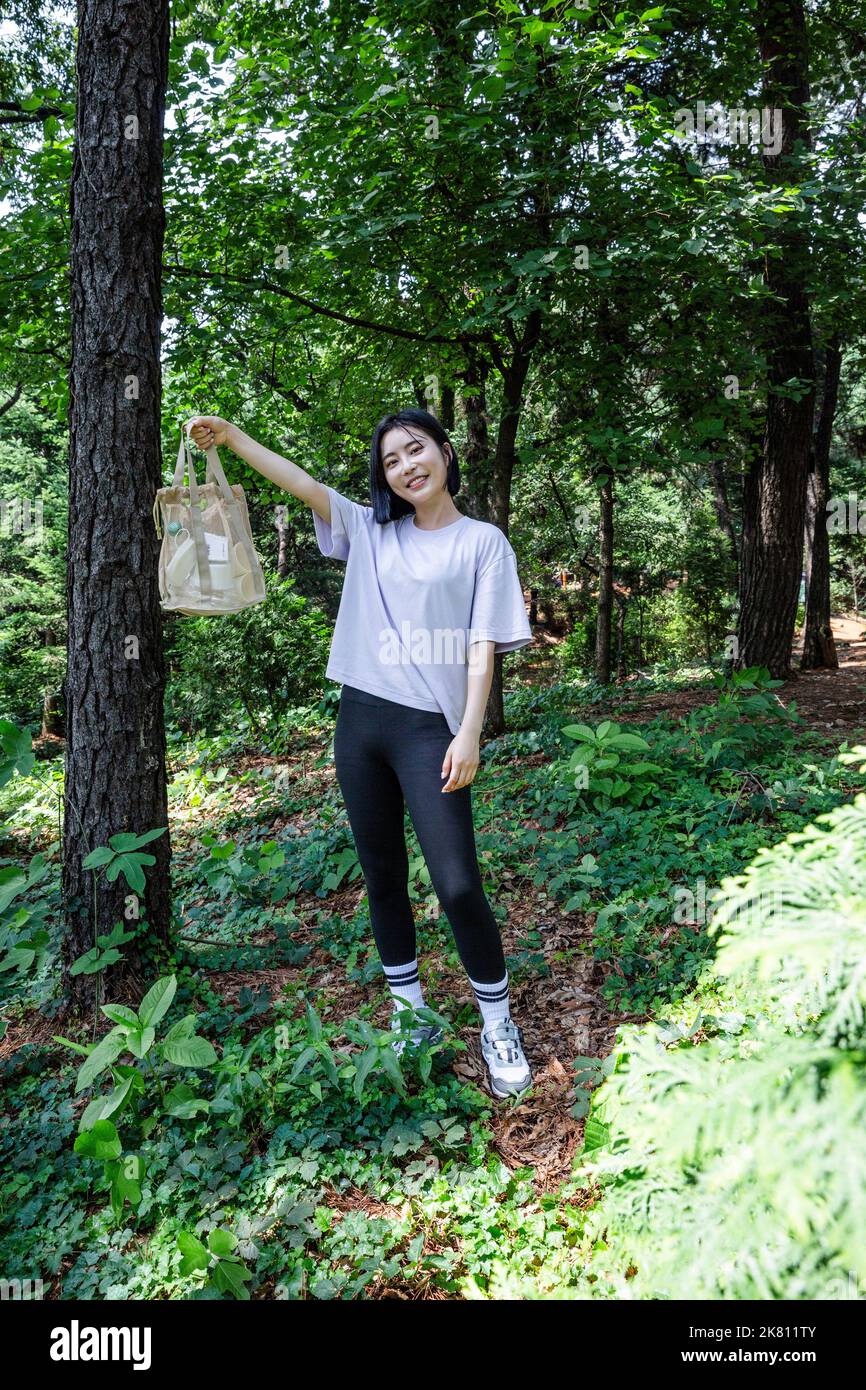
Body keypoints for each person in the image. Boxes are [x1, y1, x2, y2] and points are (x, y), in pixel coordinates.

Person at [188, 409, 534, 1098]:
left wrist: (469, 732)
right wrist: (232, 438)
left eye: (416, 450)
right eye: (392, 461)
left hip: (430, 731)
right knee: (382, 874)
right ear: (385, 478)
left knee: (458, 883)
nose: (407, 466)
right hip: (360, 723)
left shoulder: (482, 543)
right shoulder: (370, 531)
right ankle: (412, 1014)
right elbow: (299, 482)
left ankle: (498, 1024)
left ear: (443, 450)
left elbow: (481, 645)